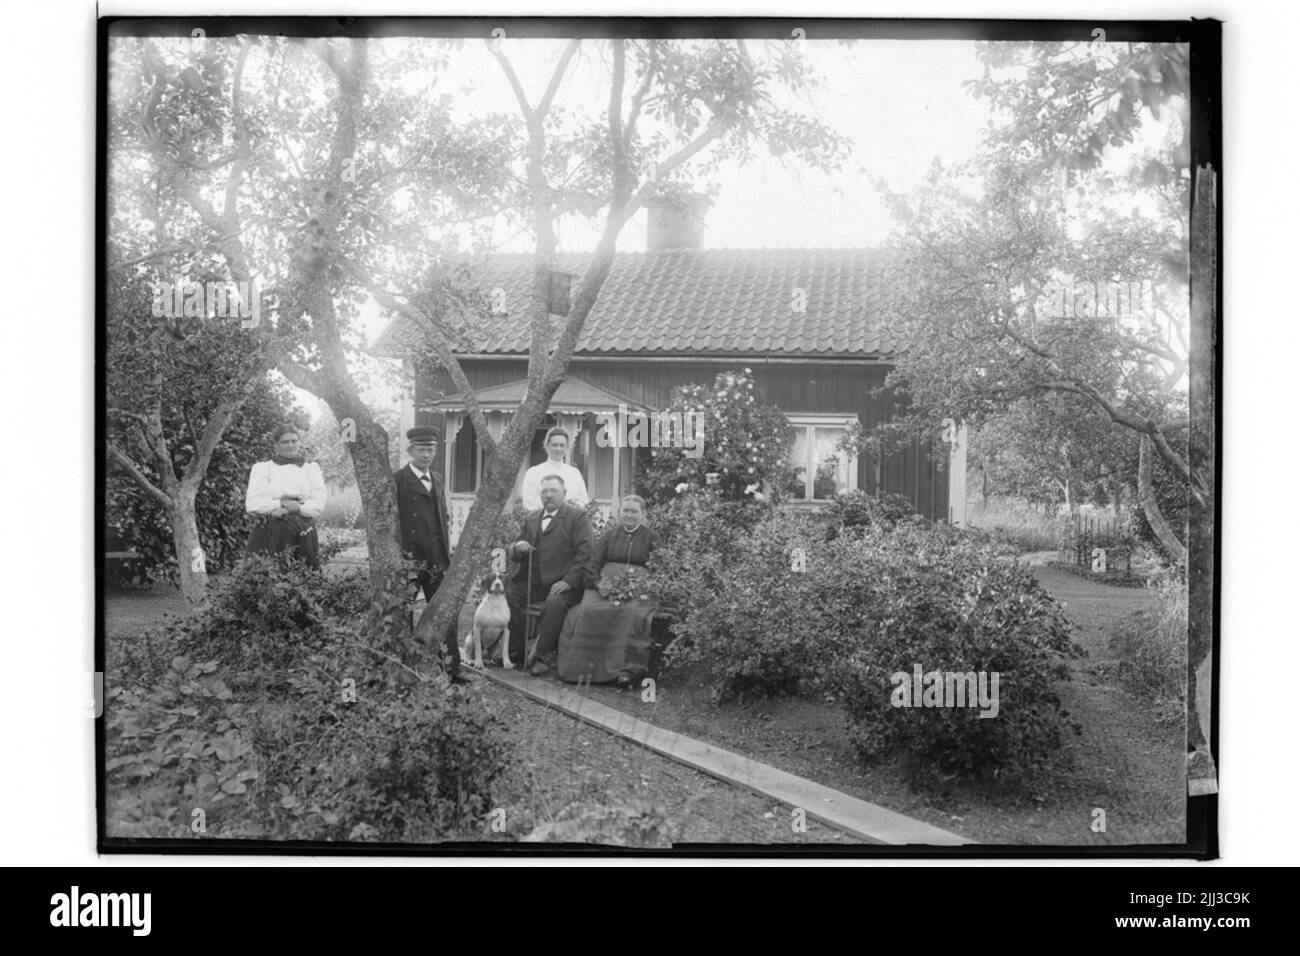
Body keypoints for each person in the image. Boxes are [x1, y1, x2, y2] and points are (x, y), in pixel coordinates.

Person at [557, 495, 659, 688]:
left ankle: (625, 672)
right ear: (619, 512)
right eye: (625, 510)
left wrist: (642, 586)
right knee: (586, 612)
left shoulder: (652, 538)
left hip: (639, 591)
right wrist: (599, 585)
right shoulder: (609, 536)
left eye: (634, 511)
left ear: (643, 514)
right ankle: (583, 670)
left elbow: (659, 570)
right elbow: (592, 566)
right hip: (606, 587)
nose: (629, 515)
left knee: (631, 613)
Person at [505, 474, 593, 676]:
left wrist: (568, 581)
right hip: (534, 583)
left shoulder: (577, 517)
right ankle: (517, 651)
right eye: (544, 491)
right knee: (509, 595)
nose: (548, 495)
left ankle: (541, 657)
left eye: (553, 491)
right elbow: (515, 550)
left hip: (564, 585)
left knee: (554, 603)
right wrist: (517, 547)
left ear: (564, 493)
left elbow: (586, 554)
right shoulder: (532, 517)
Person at [394, 426, 463, 680]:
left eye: (431, 449)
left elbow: (442, 517)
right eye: (421, 449)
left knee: (446, 611)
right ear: (410, 450)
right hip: (411, 558)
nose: (426, 455)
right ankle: (404, 668)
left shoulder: (438, 478)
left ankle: (451, 669)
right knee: (404, 614)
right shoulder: (398, 480)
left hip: (437, 558)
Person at [245, 424, 326, 568]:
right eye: (285, 442)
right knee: (268, 574)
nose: (290, 445)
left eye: (294, 441)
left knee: (304, 575)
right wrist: (280, 503)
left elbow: (318, 504)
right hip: (270, 529)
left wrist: (294, 508)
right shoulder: (263, 469)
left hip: (303, 529)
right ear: (276, 445)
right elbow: (253, 504)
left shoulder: (311, 469)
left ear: (299, 442)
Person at [520, 427, 590, 512]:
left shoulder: (574, 473)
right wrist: (558, 506)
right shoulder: (533, 473)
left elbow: (584, 501)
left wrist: (573, 506)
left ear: (567, 447)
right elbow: (529, 503)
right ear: (547, 446)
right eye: (555, 445)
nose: (558, 449)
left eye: (562, 445)